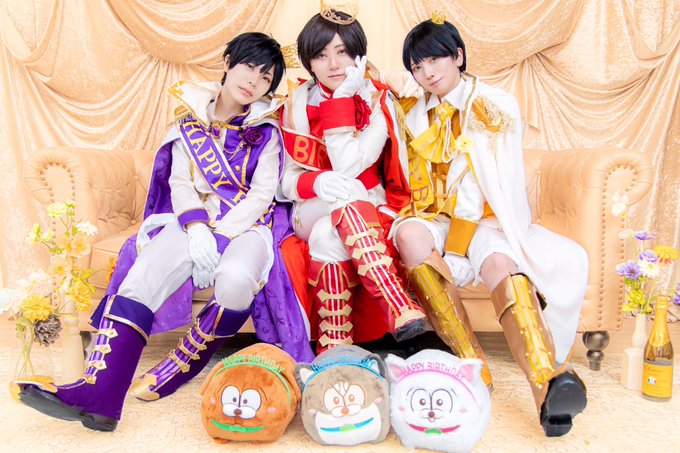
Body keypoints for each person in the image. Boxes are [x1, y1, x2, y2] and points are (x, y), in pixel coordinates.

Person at [17, 32, 313, 432]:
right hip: (191, 221)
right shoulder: (187, 120)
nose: (253, 81)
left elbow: (261, 195)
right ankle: (100, 398)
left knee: (236, 279)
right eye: (248, 67)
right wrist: (197, 229)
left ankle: (185, 361)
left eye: (265, 78)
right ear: (228, 62)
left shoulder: (267, 130)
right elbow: (179, 182)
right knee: (141, 277)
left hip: (248, 226)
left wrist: (220, 236)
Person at [392, 14, 588, 437]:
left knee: (500, 265)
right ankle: (471, 367)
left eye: (435, 59)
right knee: (408, 234)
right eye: (417, 66)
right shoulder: (412, 112)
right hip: (433, 217)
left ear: (458, 56)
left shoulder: (492, 105)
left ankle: (547, 384)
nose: (428, 73)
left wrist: (458, 250)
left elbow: (480, 185)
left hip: (485, 219)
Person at [279, 8, 426, 354]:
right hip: (310, 207)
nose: (333, 65)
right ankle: (394, 299)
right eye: (321, 55)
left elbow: (348, 165)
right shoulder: (295, 104)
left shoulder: (377, 100)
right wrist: (317, 183)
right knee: (346, 194)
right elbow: (285, 183)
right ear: (308, 61)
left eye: (342, 51)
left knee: (327, 235)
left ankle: (335, 347)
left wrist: (343, 98)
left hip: (364, 207)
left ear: (358, 54)